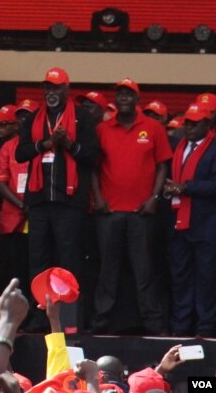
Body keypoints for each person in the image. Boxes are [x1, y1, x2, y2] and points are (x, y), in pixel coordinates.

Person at [16, 67, 99, 321]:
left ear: (66, 89)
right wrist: (46, 144)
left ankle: (71, 319)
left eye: (56, 88)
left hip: (70, 203)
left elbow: (92, 156)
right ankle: (39, 317)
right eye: (47, 88)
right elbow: (21, 154)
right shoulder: (33, 119)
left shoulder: (82, 118)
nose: (51, 92)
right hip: (39, 202)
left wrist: (67, 144)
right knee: (39, 261)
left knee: (69, 261)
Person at [91, 78, 171, 335]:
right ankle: (101, 325)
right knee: (108, 272)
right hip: (109, 212)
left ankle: (154, 327)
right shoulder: (102, 129)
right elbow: (92, 168)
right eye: (120, 94)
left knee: (144, 271)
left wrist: (154, 198)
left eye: (129, 94)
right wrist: (98, 198)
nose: (124, 98)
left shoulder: (153, 128)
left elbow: (162, 166)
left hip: (141, 213)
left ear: (138, 99)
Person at [162, 103, 216, 337]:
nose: (190, 128)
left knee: (205, 277)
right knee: (180, 275)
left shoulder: (214, 148)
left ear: (207, 124)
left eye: (195, 124)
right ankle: (181, 325)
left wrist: (186, 188)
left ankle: (205, 326)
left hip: (205, 223)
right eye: (187, 123)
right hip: (178, 223)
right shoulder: (178, 145)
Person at [0, 105, 29, 298]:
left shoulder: (42, 145)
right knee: (10, 270)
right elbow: (0, 184)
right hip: (13, 218)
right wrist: (22, 204)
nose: (24, 122)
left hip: (37, 218)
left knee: (32, 268)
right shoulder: (8, 147)